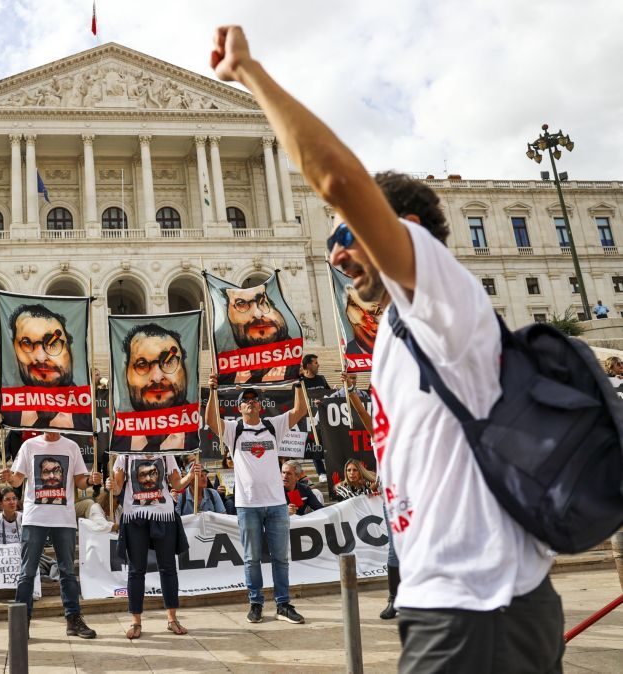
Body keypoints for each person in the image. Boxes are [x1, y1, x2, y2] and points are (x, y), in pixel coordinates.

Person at [210, 25, 563, 669]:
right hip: (445, 596)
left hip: (481, 600)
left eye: (347, 232)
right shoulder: (399, 331)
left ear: (407, 232)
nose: (335, 253)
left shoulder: (440, 296)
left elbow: (340, 177)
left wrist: (250, 75)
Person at [204, 374, 307, 625]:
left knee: (281, 557)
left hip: (276, 504)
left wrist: (297, 381)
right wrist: (212, 391)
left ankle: (283, 604)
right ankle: (256, 603)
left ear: (260, 405)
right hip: (247, 505)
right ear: (239, 408)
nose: (250, 402)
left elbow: (300, 409)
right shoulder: (233, 429)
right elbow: (209, 420)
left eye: (254, 399)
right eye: (245, 400)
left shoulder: (273, 425)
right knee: (251, 558)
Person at [0, 431, 102, 639]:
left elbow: (80, 481)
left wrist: (91, 480)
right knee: (27, 572)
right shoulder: (29, 445)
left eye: (57, 471)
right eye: (47, 473)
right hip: (34, 518)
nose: (53, 476)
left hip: (63, 518)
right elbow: (18, 481)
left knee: (67, 571)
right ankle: (21, 624)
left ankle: (73, 619)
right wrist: (10, 477)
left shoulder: (71, 446)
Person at [112, 455, 197, 639]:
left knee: (168, 568)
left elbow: (177, 484)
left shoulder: (166, 454)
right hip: (134, 516)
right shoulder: (124, 455)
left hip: (163, 516)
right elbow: (117, 488)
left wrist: (190, 476)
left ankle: (172, 619)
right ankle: (136, 621)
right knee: (136, 570)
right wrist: (111, 486)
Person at [6, 304, 91, 430]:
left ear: (69, 349)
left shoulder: (90, 416)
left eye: (52, 343)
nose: (40, 357)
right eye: (26, 343)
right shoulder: (10, 416)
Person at [118, 323, 191, 452]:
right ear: (126, 375)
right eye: (142, 364)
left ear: (185, 370)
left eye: (168, 361)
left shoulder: (201, 435)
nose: (157, 378)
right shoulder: (118, 444)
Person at [221, 284, 291, 384]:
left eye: (263, 302)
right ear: (228, 317)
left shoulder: (296, 368)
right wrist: (214, 386)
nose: (258, 314)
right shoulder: (226, 372)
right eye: (241, 304)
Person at [294, 354, 329, 482]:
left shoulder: (322, 379)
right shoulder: (300, 382)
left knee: (327, 443)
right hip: (308, 419)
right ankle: (321, 472)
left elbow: (328, 394)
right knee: (314, 444)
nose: (318, 364)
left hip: (323, 417)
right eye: (315, 362)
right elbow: (297, 401)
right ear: (308, 365)